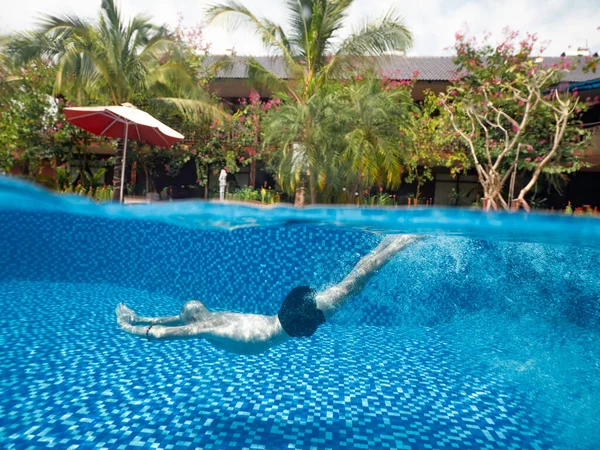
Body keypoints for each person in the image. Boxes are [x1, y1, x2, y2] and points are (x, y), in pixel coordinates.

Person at [116, 234, 421, 355]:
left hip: (290, 321)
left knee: (354, 285)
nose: (201, 308)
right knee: (352, 282)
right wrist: (132, 325)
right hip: (287, 313)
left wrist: (138, 319)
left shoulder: (208, 323)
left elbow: (174, 323)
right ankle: (391, 243)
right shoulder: (209, 322)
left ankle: (398, 243)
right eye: (199, 308)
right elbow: (165, 332)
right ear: (199, 314)